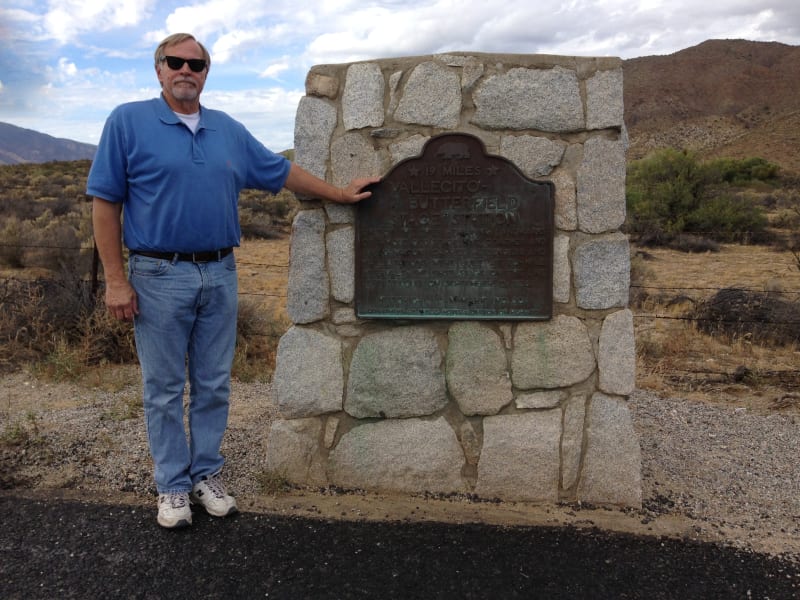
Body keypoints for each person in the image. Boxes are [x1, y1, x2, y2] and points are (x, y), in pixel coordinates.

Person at [87, 33, 378, 529]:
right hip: (157, 274)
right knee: (162, 387)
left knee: (214, 384)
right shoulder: (127, 122)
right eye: (175, 62)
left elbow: (280, 172)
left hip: (219, 272)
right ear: (158, 69)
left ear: (205, 72)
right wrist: (116, 280)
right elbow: (104, 203)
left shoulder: (227, 130)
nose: (186, 70)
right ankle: (173, 488)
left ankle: (206, 476)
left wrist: (338, 195)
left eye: (196, 64)